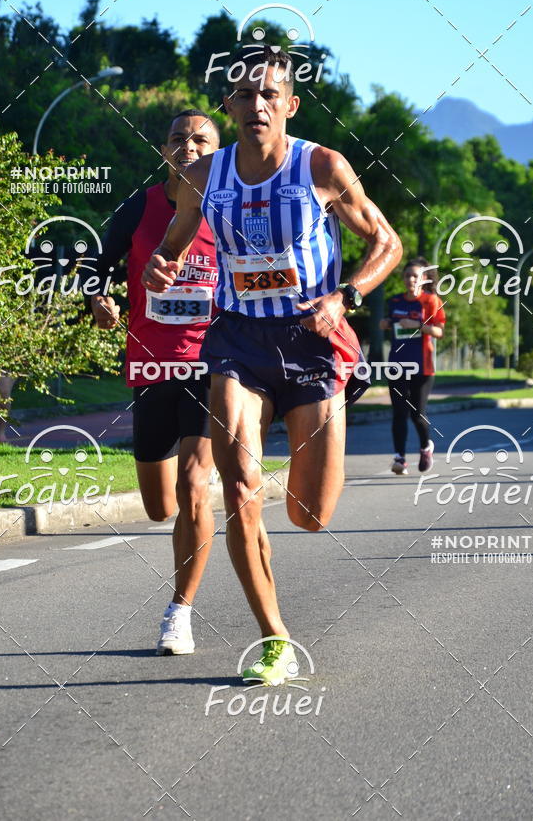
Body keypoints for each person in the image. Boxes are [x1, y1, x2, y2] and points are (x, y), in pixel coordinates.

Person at [142, 45, 402, 683]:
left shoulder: (322, 166)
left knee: (310, 514)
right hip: (238, 342)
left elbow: (387, 242)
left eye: (269, 95)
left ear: (289, 103)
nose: (257, 106)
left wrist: (347, 295)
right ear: (227, 107)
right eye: (244, 96)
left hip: (313, 342)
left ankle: (311, 439)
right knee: (237, 488)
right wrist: (162, 263)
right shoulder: (206, 176)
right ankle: (274, 638)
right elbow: (174, 240)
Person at [92, 109, 220, 655]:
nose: (187, 147)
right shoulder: (139, 206)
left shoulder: (231, 208)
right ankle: (186, 526)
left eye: (200, 140)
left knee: (194, 488)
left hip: (214, 365)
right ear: (163, 148)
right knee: (159, 506)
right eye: (177, 138)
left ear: (217, 151)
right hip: (151, 366)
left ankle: (179, 612)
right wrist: (96, 296)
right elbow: (97, 264)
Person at [380, 258, 445, 475]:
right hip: (397, 364)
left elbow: (439, 332)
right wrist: (386, 324)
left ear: (424, 279)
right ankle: (400, 458)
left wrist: (418, 325)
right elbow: (389, 322)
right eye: (407, 275)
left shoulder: (431, 301)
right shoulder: (395, 301)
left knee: (417, 414)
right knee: (399, 412)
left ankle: (426, 446)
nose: (411, 279)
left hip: (422, 365)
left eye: (415, 276)